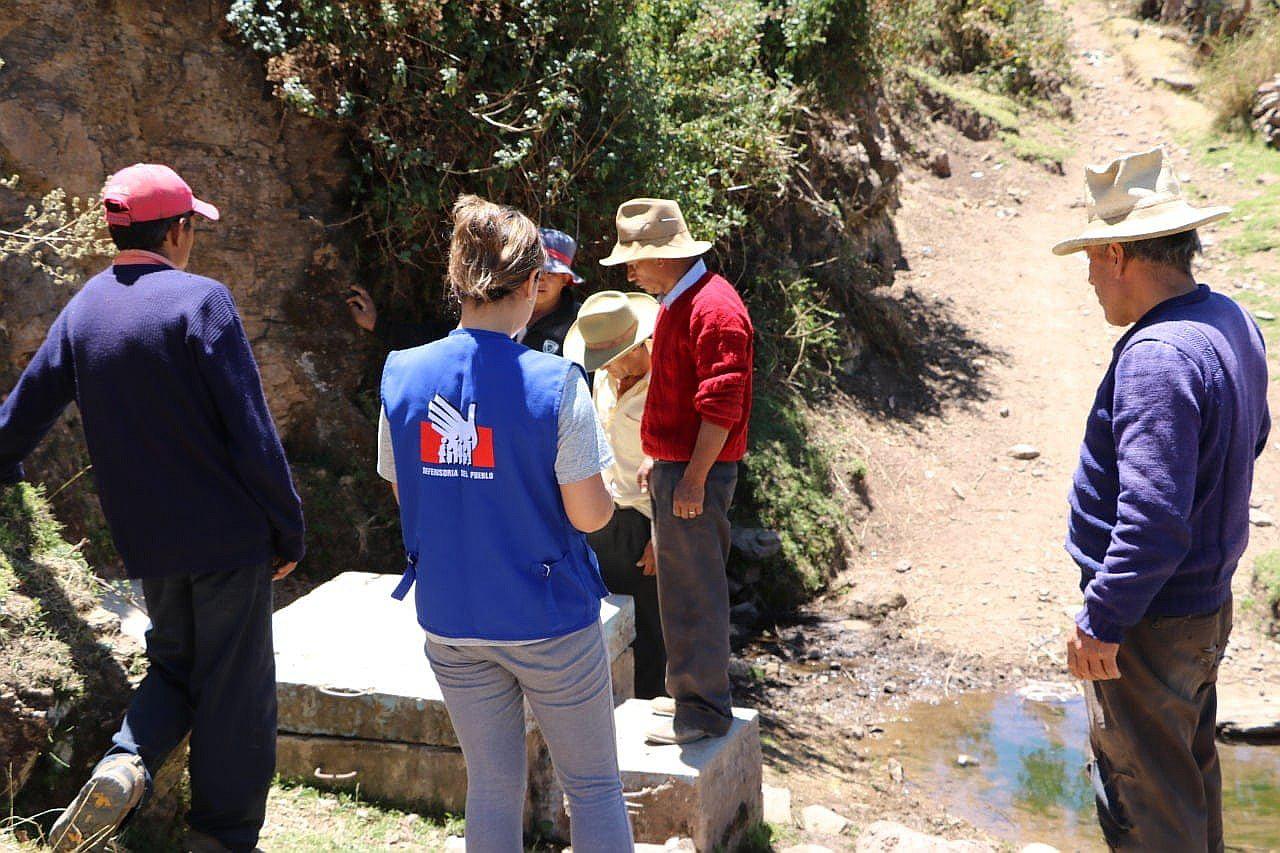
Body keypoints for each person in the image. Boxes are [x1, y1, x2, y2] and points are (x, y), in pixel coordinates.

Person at [0, 164, 305, 852]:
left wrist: (2, 463)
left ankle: (125, 760)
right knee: (235, 690)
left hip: (150, 543)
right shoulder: (202, 302)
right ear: (176, 229)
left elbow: (26, 409)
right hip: (229, 540)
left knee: (174, 664)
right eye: (192, 225)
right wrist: (288, 527)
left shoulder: (86, 309)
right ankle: (221, 837)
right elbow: (251, 431)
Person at [378, 195, 633, 852]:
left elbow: (411, 499)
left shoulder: (401, 373)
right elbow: (589, 513)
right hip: (547, 615)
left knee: (491, 783)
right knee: (595, 785)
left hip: (450, 615)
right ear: (530, 286)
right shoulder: (556, 383)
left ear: (458, 282)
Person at [1054, 147, 1269, 851]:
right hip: (1203, 603)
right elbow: (1253, 433)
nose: (1088, 278)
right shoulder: (1230, 320)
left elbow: (1150, 519)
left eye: (1090, 257)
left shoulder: (1156, 358)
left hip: (1150, 616)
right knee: (1188, 776)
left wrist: (1103, 616)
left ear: (1118, 254)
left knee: (1144, 803)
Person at [599, 198, 754, 746]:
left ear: (662, 257)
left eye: (635, 261)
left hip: (697, 476)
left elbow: (723, 403)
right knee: (681, 590)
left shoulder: (712, 309)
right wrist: (657, 454)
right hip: (679, 468)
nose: (630, 272)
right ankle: (690, 698)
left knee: (695, 592)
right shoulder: (678, 299)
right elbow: (679, 395)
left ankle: (705, 710)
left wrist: (690, 477)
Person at [564, 291, 667, 699]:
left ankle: (651, 707)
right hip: (602, 514)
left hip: (648, 519)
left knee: (651, 629)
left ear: (639, 344)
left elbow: (684, 460)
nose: (602, 364)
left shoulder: (669, 381)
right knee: (606, 622)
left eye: (609, 354)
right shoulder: (602, 378)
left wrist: (664, 535)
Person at [347, 227, 585, 354]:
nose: (540, 280)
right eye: (536, 272)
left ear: (566, 279)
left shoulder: (580, 325)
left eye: (551, 273)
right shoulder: (496, 305)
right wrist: (378, 324)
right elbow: (441, 344)